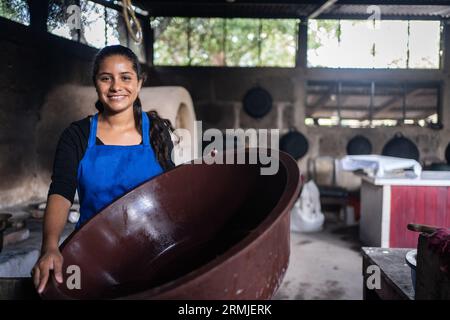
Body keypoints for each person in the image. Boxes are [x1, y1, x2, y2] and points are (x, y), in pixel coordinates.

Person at [32, 45, 176, 294]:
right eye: (106, 78)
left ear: (139, 83)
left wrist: (203, 174)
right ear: (96, 84)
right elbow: (61, 191)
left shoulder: (156, 132)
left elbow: (170, 187)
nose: (116, 86)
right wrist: (50, 247)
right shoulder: (77, 135)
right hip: (95, 251)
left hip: (153, 251)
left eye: (126, 77)